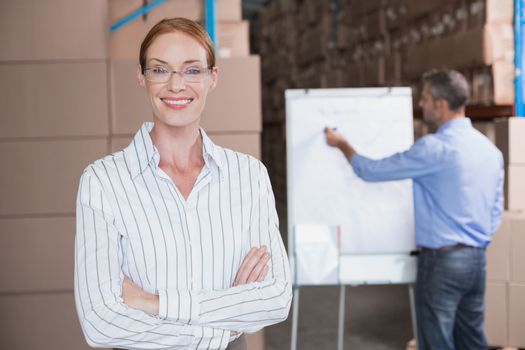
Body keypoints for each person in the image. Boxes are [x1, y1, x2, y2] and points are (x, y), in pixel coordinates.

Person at [74, 17, 292, 350]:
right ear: (141, 76)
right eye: (160, 70)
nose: (176, 85)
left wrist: (154, 302)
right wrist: (225, 327)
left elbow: (275, 298)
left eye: (192, 70)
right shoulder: (104, 181)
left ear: (212, 77)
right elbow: (100, 323)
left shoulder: (248, 176)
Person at [324, 69, 504, 350]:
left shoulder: (434, 149)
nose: (422, 104)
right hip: (477, 260)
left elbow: (371, 171)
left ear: (441, 104)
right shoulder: (489, 151)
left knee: (435, 342)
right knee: (471, 340)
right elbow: (495, 213)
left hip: (442, 263)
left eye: (426, 99)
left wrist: (343, 145)